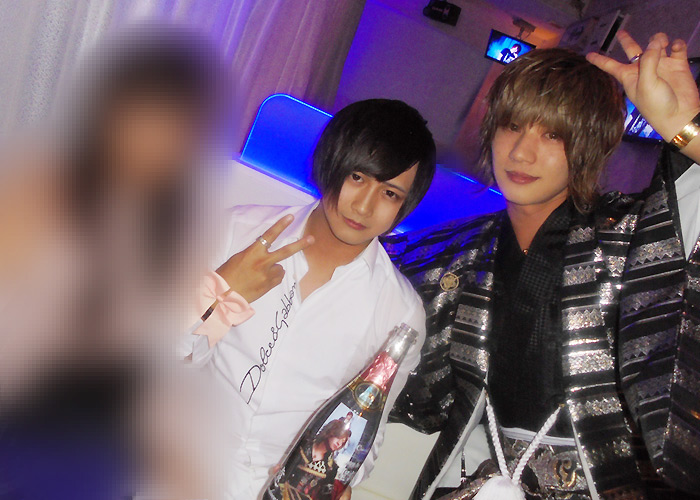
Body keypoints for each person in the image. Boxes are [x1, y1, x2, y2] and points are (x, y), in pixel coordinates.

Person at [383, 31, 700, 499]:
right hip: (476, 479)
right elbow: (367, 285)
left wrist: (684, 126)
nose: (521, 153)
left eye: (553, 134)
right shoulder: (462, 249)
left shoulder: (636, 236)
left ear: (592, 144)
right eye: (512, 126)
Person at [0, 24, 230, 500]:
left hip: (101, 441)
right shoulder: (40, 189)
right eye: (145, 117)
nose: (156, 140)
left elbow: (162, 357)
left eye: (178, 128)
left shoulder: (175, 223)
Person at [179, 98, 436, 499]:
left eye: (389, 193)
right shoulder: (236, 231)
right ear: (330, 162)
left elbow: (369, 428)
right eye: (357, 177)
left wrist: (335, 478)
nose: (364, 206)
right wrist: (219, 292)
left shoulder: (399, 311)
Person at [282, 418, 352, 500]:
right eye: (339, 437)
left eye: (343, 442)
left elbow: (325, 495)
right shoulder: (304, 444)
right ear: (331, 431)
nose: (339, 443)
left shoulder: (331, 468)